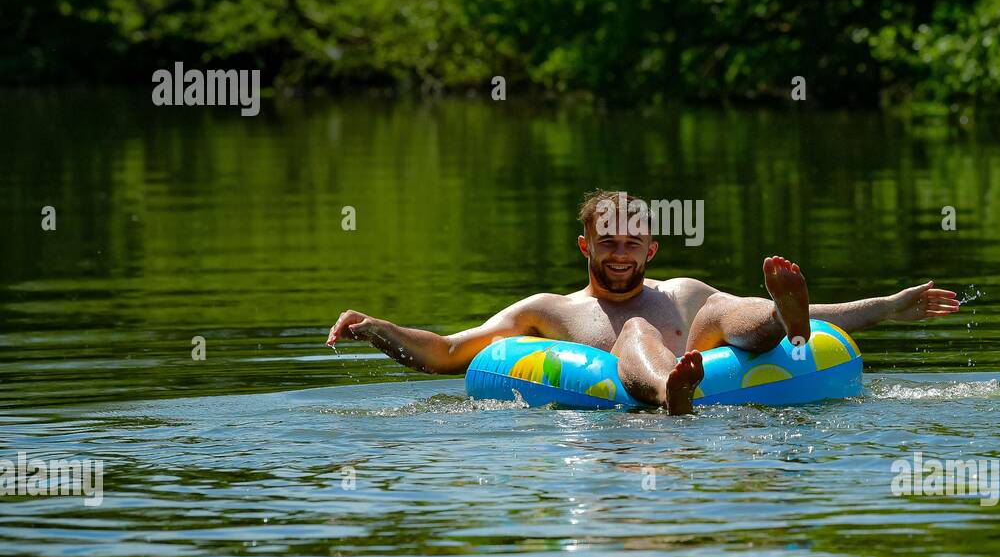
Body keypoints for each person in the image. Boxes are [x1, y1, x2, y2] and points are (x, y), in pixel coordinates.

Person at [327, 190, 960, 414]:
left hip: (721, 355)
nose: (621, 253)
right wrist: (375, 328)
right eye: (609, 242)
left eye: (633, 241)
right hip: (645, 395)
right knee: (634, 334)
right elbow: (448, 354)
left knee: (719, 312)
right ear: (587, 246)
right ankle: (667, 391)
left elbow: (822, 323)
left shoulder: (679, 290)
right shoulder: (551, 309)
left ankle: (775, 314)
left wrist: (891, 305)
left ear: (652, 248)